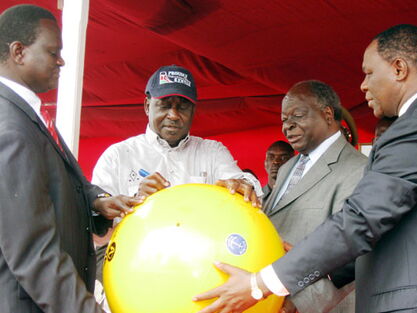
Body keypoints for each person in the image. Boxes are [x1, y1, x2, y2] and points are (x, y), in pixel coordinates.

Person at [193, 24, 417, 313]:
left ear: (399, 69)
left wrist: (260, 284)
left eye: (369, 73)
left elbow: (361, 220)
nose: (363, 85)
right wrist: (308, 262)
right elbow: (391, 227)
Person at [0, 5, 140, 313]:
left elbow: (53, 183)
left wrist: (97, 201)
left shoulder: (29, 115)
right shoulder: (10, 128)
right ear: (19, 52)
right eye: (53, 52)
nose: (62, 60)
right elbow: (33, 252)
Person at [91, 65, 262, 306]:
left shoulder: (212, 152)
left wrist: (242, 184)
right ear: (147, 105)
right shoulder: (119, 155)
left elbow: (247, 184)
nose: (173, 114)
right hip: (136, 280)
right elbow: (97, 227)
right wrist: (136, 200)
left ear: (194, 110)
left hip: (200, 278)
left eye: (182, 106)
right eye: (165, 105)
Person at [263, 81, 367, 313]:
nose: (287, 127)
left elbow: (350, 257)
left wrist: (298, 304)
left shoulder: (358, 169)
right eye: (283, 120)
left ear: (327, 114)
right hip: (268, 298)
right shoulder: (287, 167)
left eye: (297, 116)